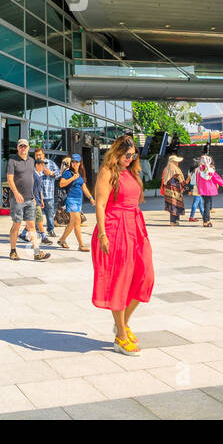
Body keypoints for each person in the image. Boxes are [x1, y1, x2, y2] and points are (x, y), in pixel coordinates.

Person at [91, 135, 155, 356]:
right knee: (119, 281)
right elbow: (100, 205)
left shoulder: (130, 172)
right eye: (126, 155)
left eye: (133, 155)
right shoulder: (108, 172)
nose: (130, 158)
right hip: (115, 228)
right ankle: (120, 336)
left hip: (135, 227)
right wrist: (102, 235)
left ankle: (122, 323)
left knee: (146, 276)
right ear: (116, 152)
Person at [7, 138, 49, 261]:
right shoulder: (12, 161)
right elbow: (9, 179)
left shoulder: (31, 161)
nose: (23, 148)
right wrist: (16, 193)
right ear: (17, 147)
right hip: (17, 199)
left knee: (31, 225)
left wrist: (34, 196)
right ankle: (13, 251)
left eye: (25, 146)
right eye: (21, 146)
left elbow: (32, 179)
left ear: (28, 147)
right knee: (17, 224)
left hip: (30, 199)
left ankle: (36, 252)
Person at [34, 148, 59, 246]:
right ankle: (38, 232)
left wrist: (51, 173)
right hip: (37, 195)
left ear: (43, 155)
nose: (38, 156)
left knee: (50, 213)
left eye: (40, 155)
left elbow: (59, 174)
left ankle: (51, 230)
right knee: (37, 215)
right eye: (36, 155)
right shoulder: (33, 165)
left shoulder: (51, 163)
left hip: (48, 193)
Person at [191, 154, 223, 227]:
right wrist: (222, 183)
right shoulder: (210, 169)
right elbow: (216, 177)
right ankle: (206, 221)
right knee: (207, 205)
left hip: (201, 189)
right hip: (209, 189)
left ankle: (206, 220)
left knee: (205, 204)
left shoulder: (198, 169)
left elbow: (196, 179)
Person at [159, 154, 186, 227]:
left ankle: (174, 221)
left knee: (172, 205)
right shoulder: (174, 168)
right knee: (175, 205)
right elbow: (180, 178)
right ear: (173, 161)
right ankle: (173, 222)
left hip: (168, 191)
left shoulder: (166, 168)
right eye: (176, 161)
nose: (178, 163)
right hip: (175, 190)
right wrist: (185, 186)